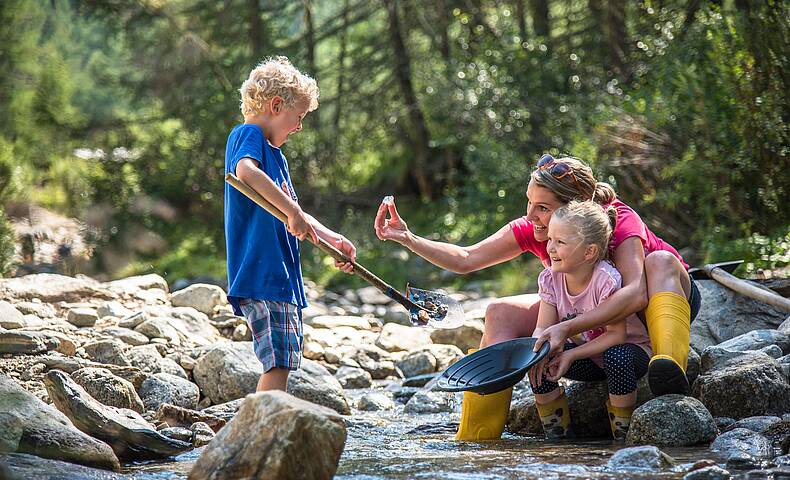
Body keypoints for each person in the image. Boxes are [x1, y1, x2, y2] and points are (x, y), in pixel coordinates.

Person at [374, 153, 700, 441]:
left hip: (658, 303)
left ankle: (669, 368)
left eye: (542, 207)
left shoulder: (618, 219)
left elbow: (636, 295)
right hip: (589, 309)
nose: (530, 215)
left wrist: (566, 331)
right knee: (500, 310)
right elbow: (465, 258)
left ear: (578, 205)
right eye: (529, 202)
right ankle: (478, 437)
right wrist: (408, 238)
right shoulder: (538, 228)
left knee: (658, 262)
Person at [225, 56, 356, 392]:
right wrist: (293, 213)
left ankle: (264, 428)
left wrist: (333, 239)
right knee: (278, 363)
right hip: (263, 273)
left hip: (280, 277)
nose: (299, 127)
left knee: (282, 361)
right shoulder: (248, 135)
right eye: (297, 118)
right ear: (276, 105)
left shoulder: (277, 157)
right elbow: (245, 173)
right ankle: (263, 434)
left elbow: (294, 212)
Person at [526, 201, 651, 441]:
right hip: (591, 357)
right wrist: (535, 352)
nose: (550, 248)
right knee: (539, 359)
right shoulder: (551, 279)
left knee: (618, 355)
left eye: (560, 242)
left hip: (630, 353)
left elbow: (616, 335)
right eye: (550, 239)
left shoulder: (605, 279)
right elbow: (543, 327)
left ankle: (622, 434)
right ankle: (558, 435)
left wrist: (571, 354)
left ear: (589, 252)